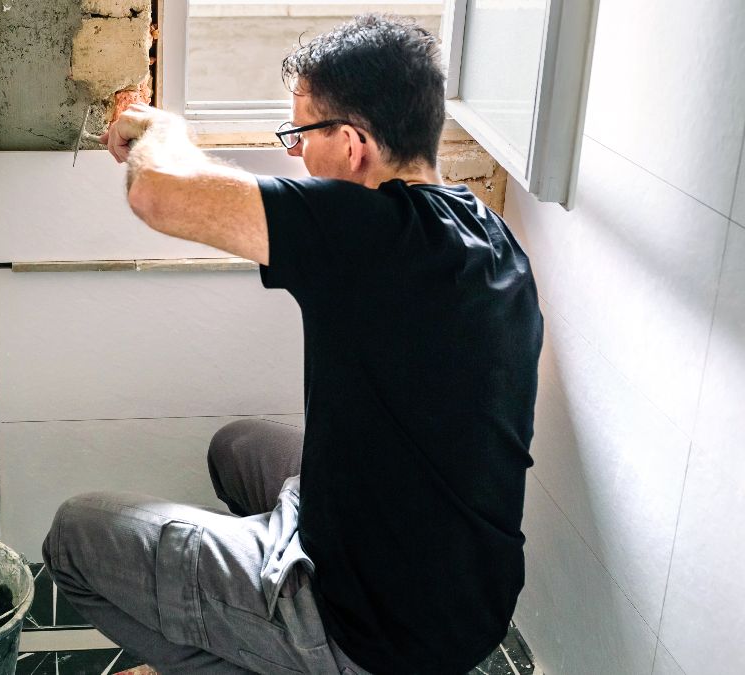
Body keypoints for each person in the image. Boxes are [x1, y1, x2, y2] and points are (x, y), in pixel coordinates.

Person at [42, 14, 543, 675]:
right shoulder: (486, 234)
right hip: (465, 600)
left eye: (301, 132)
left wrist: (162, 130)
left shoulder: (367, 235)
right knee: (237, 449)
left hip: (374, 630)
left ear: (354, 144)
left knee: (74, 537)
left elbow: (157, 194)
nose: (293, 153)